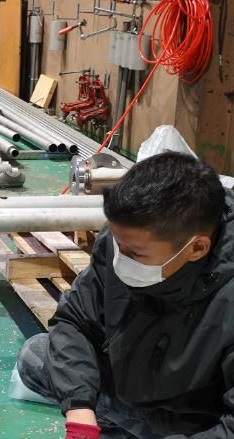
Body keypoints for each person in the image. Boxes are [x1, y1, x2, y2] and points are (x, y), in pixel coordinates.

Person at [16, 152, 234, 438]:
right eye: (118, 244)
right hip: (138, 391)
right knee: (38, 356)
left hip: (198, 420)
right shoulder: (127, 237)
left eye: (136, 254)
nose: (121, 259)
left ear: (196, 248)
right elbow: (75, 320)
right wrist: (80, 409)